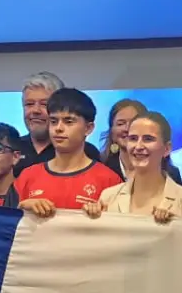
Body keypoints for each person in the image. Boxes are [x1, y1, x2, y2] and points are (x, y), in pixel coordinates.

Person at [14, 88, 122, 218]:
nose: (58, 128)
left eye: (69, 121)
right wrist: (21, 208)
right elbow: (4, 226)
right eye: (53, 121)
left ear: (88, 128)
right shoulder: (27, 177)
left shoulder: (109, 180)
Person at [83, 111, 182, 222]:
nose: (138, 146)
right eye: (133, 139)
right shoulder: (108, 197)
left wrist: (176, 226)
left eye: (148, 139)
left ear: (167, 149)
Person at [13, 72, 102, 176]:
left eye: (44, 104)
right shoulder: (11, 148)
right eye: (29, 104)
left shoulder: (87, 152)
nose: (35, 110)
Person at [100, 98, 182, 184]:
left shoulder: (171, 174)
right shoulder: (101, 168)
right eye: (121, 124)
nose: (127, 128)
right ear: (111, 131)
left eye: (133, 122)